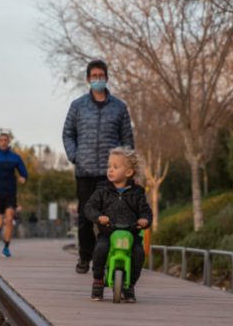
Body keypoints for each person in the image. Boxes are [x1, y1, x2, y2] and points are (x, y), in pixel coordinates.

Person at [62, 59, 134, 274]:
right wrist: (75, 156)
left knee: (110, 217)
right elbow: (68, 134)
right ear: (87, 79)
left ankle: (105, 258)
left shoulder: (120, 107)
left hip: (110, 174)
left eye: (101, 76)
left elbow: (127, 140)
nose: (97, 80)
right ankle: (85, 257)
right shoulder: (77, 106)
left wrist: (128, 170)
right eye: (93, 77)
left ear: (107, 78)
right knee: (86, 217)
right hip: (84, 172)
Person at [84, 147, 152, 302]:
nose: (110, 170)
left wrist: (145, 220)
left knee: (138, 254)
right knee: (100, 249)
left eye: (115, 167)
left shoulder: (137, 194)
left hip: (131, 233)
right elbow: (89, 207)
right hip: (108, 232)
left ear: (128, 172)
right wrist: (99, 217)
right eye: (109, 166)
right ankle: (98, 281)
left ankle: (130, 285)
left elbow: (146, 212)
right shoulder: (102, 191)